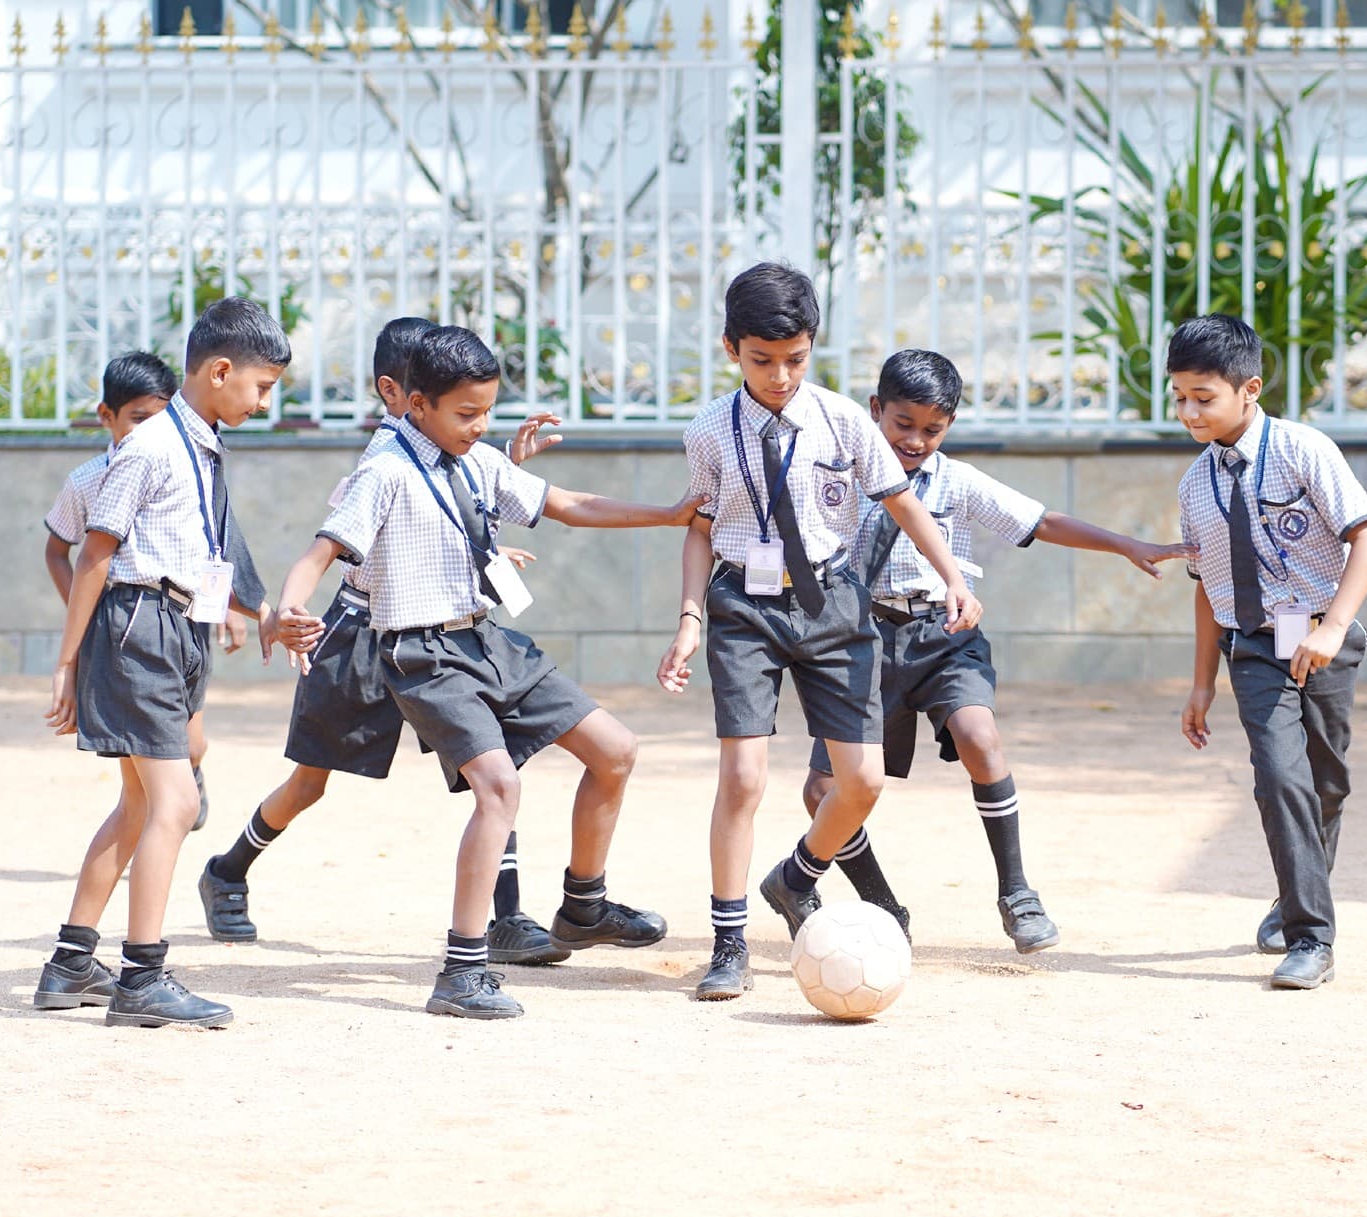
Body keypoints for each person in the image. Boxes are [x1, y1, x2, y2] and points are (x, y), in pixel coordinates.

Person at [272, 324, 700, 1020]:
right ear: (415, 404)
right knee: (498, 788)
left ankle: (583, 907)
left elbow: (567, 505)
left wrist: (668, 514)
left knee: (616, 750)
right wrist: (291, 607)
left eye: (486, 412)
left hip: (487, 640)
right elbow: (320, 553)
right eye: (465, 414)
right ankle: (462, 972)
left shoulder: (477, 463)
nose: (480, 427)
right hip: (420, 655)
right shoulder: (383, 472)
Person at [196, 318, 571, 967]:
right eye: (429, 394)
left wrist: (497, 480)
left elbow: (456, 507)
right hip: (361, 635)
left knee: (494, 765)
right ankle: (229, 869)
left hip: (438, 638)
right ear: (398, 393)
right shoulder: (381, 465)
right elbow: (361, 548)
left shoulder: (446, 452)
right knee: (309, 782)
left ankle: (507, 918)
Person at [654, 263, 979, 1002]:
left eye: (794, 360)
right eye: (761, 360)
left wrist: (954, 578)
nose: (778, 376)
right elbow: (700, 533)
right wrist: (688, 620)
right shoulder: (708, 431)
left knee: (859, 781)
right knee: (743, 777)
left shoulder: (843, 422)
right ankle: (728, 942)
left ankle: (797, 874)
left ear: (812, 348)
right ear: (731, 347)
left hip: (834, 603)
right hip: (745, 606)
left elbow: (901, 505)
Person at [797, 349, 1189, 953]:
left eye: (933, 429)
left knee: (980, 737)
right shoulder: (839, 475)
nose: (916, 440)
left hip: (943, 636)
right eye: (903, 424)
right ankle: (881, 904)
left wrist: (1125, 545)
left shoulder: (953, 480)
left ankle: (1017, 893)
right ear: (876, 411)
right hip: (862, 643)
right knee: (822, 791)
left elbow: (1040, 521)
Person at [35, 298, 288, 1028]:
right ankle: (143, 978)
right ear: (218, 371)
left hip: (177, 627)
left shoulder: (200, 442)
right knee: (175, 803)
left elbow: (218, 545)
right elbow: (94, 554)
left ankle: (70, 962)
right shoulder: (151, 448)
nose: (264, 400)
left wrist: (258, 612)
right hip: (138, 627)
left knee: (142, 804)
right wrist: (67, 661)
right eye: (261, 385)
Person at [1169, 315, 1367, 991]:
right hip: (1256, 643)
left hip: (1317, 626)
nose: (1189, 412)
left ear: (1249, 388)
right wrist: (1202, 683)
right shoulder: (1194, 485)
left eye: (1203, 397)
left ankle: (1293, 893)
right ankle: (1311, 937)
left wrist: (1331, 628)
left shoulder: (1302, 451)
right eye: (1179, 397)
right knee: (1277, 774)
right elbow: (1207, 588)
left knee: (1325, 781)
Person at [44, 353, 236, 832]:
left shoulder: (181, 462)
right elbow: (61, 551)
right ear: (106, 417)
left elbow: (212, 540)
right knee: (143, 772)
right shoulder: (87, 481)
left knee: (193, 745)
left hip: (184, 621)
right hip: (127, 630)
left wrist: (231, 606)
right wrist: (84, 618)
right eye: (137, 418)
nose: (149, 428)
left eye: (159, 416)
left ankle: (181, 791)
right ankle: (160, 817)